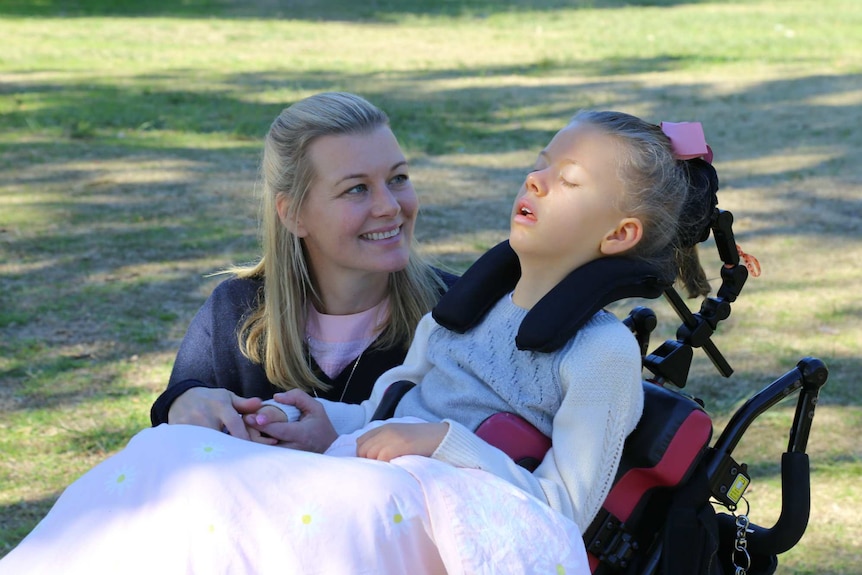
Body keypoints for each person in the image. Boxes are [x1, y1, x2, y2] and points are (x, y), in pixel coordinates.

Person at [0, 110, 715, 575]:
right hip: (384, 482)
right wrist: (321, 422)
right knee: (166, 451)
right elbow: (385, 407)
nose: (535, 178)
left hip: (450, 517)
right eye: (541, 161)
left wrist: (439, 442)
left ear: (618, 234)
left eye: (567, 179)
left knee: (214, 501)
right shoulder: (466, 309)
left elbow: (559, 512)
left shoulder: (599, 354)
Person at [149, 91, 457, 443]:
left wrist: (337, 449)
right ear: (293, 213)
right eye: (356, 188)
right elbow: (176, 465)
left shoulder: (460, 315)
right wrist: (180, 402)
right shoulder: (235, 312)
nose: (389, 206)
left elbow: (489, 463)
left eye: (398, 178)